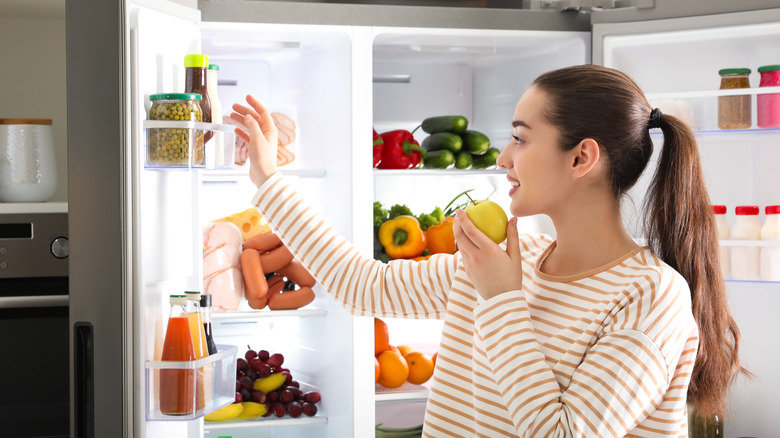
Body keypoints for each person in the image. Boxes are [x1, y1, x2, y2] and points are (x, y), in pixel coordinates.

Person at [230, 64, 745, 437]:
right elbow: (361, 286)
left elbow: (561, 433)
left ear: (582, 157)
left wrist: (502, 300)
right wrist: (267, 177)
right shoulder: (508, 256)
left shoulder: (650, 297)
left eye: (521, 139)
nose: (503, 157)